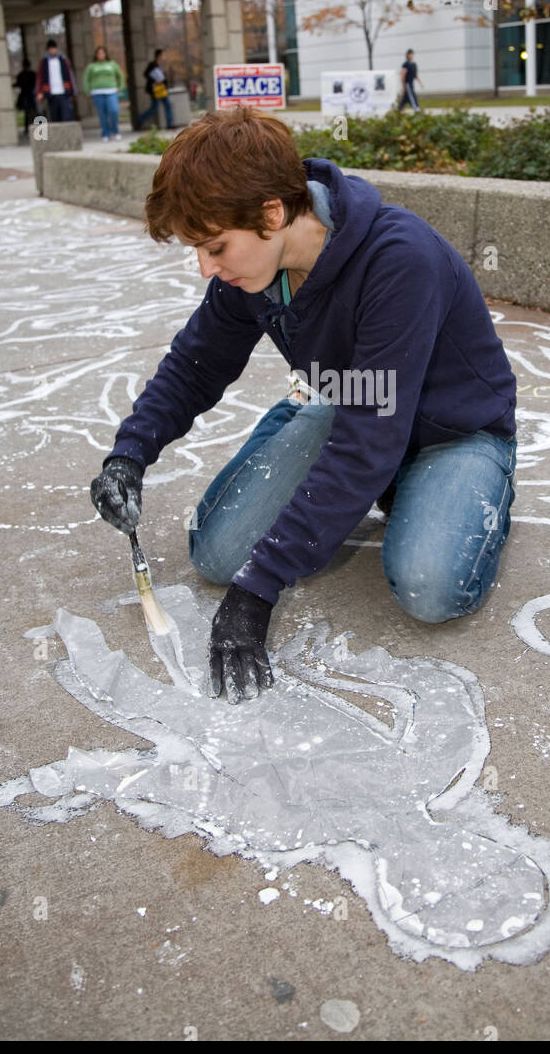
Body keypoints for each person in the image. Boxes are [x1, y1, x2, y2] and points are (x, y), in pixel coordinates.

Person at [90, 106, 517, 705]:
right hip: (353, 411)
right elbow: (197, 363)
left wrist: (258, 592)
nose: (207, 267)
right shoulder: (256, 270)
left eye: (215, 247)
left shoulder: (400, 260)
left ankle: (439, 485)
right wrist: (129, 453)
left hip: (455, 432)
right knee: (217, 556)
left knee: (430, 588)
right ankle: (345, 464)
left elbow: (371, 440)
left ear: (271, 213)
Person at [83, 44, 125, 141]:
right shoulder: (92, 66)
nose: (101, 55)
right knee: (102, 114)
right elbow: (86, 79)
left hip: (111, 91)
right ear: (96, 55)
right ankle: (105, 133)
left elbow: (120, 76)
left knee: (114, 110)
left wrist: (121, 87)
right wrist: (87, 91)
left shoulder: (112, 64)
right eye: (99, 53)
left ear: (105, 54)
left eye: (102, 53)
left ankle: (115, 130)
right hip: (97, 92)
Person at [36, 37, 76, 122]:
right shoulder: (44, 62)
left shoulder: (63, 60)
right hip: (50, 93)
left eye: (53, 48)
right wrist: (40, 92)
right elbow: (40, 78)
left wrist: (73, 90)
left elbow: (70, 76)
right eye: (50, 49)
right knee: (54, 116)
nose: (52, 50)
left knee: (66, 115)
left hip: (64, 92)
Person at [138, 48, 174, 130]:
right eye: (163, 55)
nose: (165, 56)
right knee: (154, 108)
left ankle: (170, 124)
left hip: (162, 89)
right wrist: (155, 81)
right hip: (155, 90)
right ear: (159, 55)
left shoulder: (161, 65)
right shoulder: (152, 64)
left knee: (167, 105)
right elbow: (146, 74)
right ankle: (140, 119)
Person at [14, 57, 37, 138]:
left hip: (27, 95)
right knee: (31, 113)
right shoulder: (31, 74)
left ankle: (29, 128)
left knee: (29, 113)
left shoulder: (23, 74)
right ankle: (32, 128)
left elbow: (18, 84)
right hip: (29, 96)